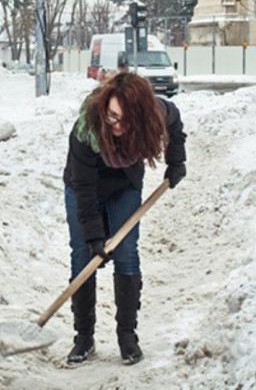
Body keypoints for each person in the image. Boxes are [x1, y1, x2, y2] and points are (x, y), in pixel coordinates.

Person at [62, 72, 186, 365]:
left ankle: (127, 337)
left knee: (127, 253)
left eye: (123, 119)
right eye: (111, 117)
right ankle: (84, 337)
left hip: (125, 185)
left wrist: (176, 160)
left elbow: (175, 122)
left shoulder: (156, 112)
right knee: (83, 256)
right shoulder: (87, 128)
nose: (115, 124)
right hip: (83, 186)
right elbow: (83, 187)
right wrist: (94, 236)